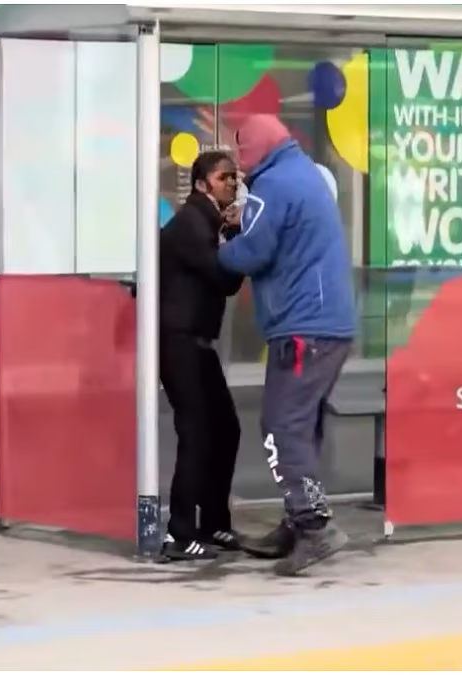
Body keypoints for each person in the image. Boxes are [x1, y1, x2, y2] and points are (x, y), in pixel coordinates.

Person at [217, 114, 357, 576]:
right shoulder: (302, 175)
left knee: (281, 426)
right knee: (302, 424)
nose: (240, 162)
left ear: (255, 147)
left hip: (303, 327)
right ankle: (297, 520)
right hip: (327, 325)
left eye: (241, 150)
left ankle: (314, 526)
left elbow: (253, 253)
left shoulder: (273, 184)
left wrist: (221, 243)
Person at [158, 151, 245, 561]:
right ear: (200, 184)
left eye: (235, 176)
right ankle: (180, 534)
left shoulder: (205, 221)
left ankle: (213, 524)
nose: (233, 182)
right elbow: (224, 277)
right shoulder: (193, 222)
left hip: (196, 344)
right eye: (224, 176)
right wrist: (244, 239)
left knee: (224, 429)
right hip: (181, 343)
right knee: (196, 434)